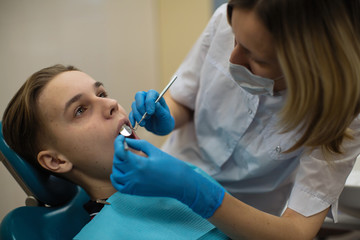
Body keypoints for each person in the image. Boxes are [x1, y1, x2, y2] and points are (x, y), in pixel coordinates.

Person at [113, 1, 360, 239]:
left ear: (310, 62)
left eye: (258, 59)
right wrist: (168, 116)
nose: (233, 59)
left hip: (246, 227)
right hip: (166, 192)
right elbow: (184, 102)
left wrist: (198, 191)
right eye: (234, 39)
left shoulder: (344, 108)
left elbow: (297, 230)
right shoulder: (225, 20)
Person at [2, 64, 229, 239]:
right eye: (80, 110)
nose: (111, 103)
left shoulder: (185, 180)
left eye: (101, 94)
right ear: (55, 160)